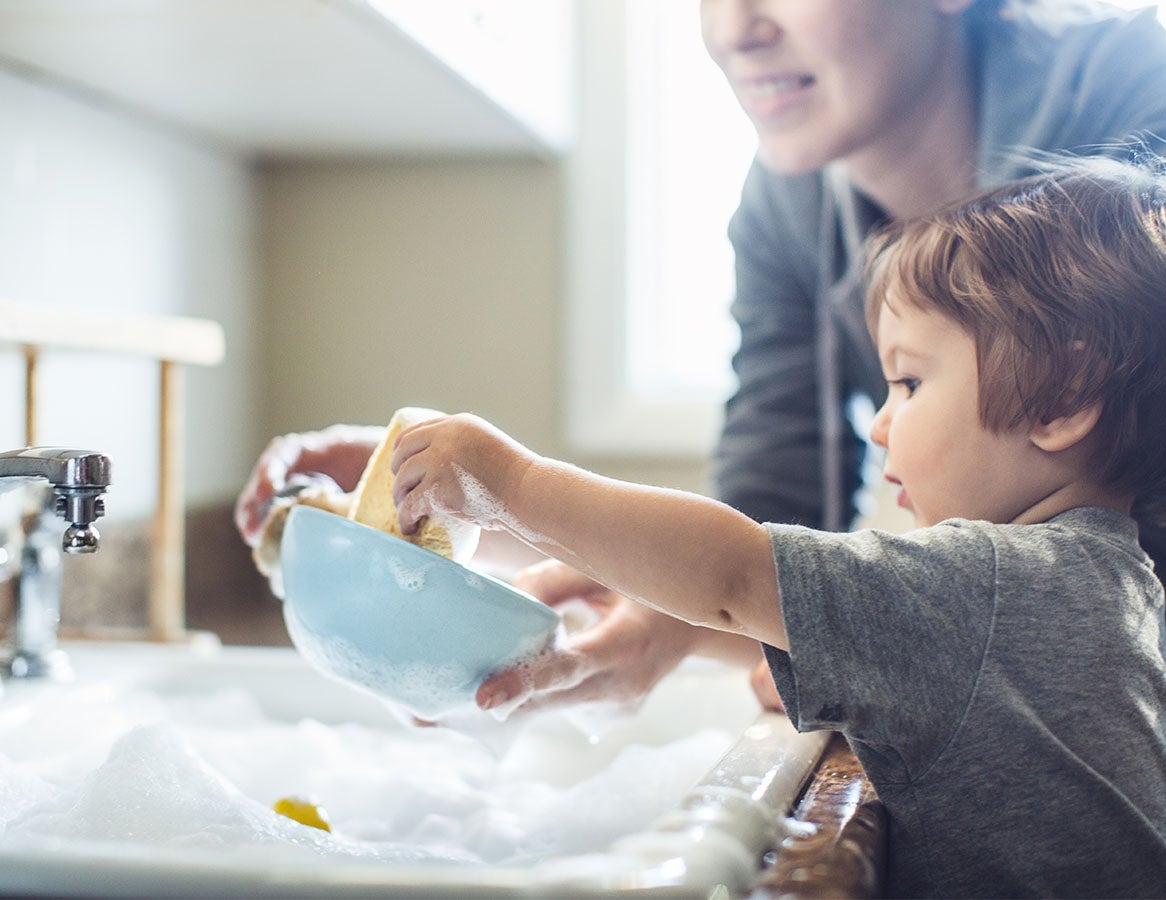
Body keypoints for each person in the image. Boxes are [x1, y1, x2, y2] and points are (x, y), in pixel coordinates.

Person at [236, 0, 1166, 713]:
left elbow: (742, 574)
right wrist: (441, 492)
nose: (734, 29)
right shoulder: (784, 202)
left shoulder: (1140, 101)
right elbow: (765, 539)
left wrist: (515, 483)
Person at [386, 158, 1166, 897]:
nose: (881, 425)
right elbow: (789, 620)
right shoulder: (1096, 582)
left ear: (1061, 399)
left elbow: (731, 576)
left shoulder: (995, 584)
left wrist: (514, 482)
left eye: (910, 381)